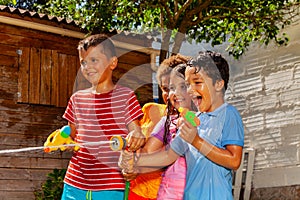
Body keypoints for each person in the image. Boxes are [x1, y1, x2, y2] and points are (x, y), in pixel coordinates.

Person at [120, 51, 244, 200]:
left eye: (197, 83)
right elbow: (167, 155)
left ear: (218, 84)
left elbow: (234, 160)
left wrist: (196, 141)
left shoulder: (229, 114)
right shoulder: (191, 120)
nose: (191, 90)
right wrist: (133, 160)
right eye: (188, 84)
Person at [60, 34, 145, 200]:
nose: (87, 67)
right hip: (74, 183)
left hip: (111, 186)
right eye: (83, 62)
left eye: (94, 60)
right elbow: (72, 138)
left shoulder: (125, 96)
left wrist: (137, 135)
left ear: (113, 62)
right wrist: (64, 142)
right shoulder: (76, 99)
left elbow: (136, 134)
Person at [126, 55, 190, 200]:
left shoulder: (195, 118)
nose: (169, 94)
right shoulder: (152, 111)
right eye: (166, 88)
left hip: (170, 192)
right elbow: (142, 148)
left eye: (180, 86)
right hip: (139, 191)